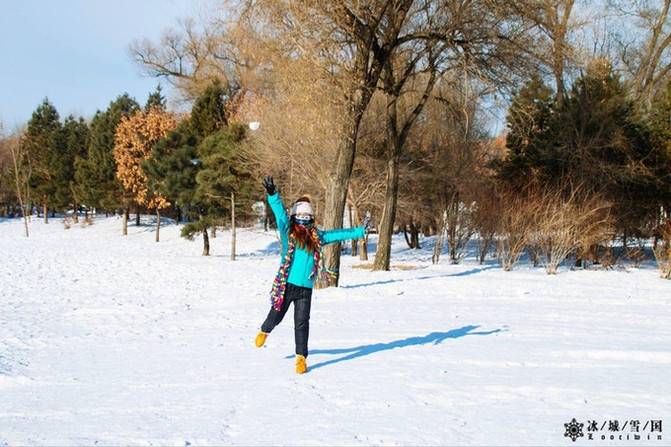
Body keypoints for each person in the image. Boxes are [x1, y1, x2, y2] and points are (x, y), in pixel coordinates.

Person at [255, 176, 370, 374]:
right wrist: (273, 195)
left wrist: (360, 231)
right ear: (295, 217)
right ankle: (265, 330)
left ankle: (301, 358)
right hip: (287, 285)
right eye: (300, 216)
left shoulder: (317, 237)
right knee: (276, 317)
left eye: (307, 217)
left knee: (302, 323)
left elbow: (339, 234)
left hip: (305, 289)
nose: (304, 220)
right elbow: (280, 213)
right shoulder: (287, 231)